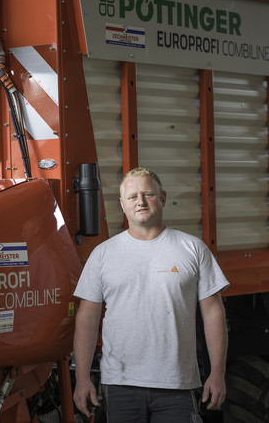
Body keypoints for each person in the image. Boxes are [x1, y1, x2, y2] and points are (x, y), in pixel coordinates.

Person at [72, 167, 229, 422]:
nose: (141, 202)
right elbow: (87, 318)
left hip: (176, 384)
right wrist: (81, 378)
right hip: (120, 384)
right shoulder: (103, 255)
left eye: (148, 194)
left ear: (163, 198)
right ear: (122, 205)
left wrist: (217, 373)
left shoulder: (192, 249)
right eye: (132, 197)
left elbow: (213, 313)